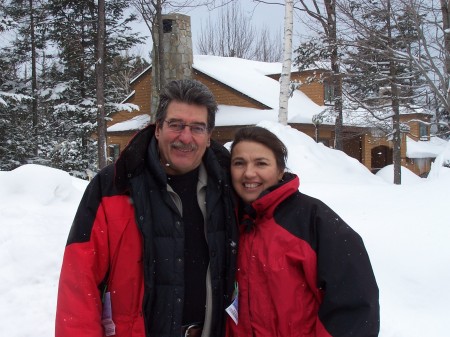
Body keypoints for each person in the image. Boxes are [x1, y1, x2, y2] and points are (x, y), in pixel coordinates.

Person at [55, 79, 238, 337]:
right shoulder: (114, 186)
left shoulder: (230, 186)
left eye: (197, 128)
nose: (185, 137)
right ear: (157, 129)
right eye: (176, 125)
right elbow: (79, 284)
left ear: (209, 137)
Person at [226, 126, 380, 337]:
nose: (249, 173)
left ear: (280, 170)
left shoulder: (313, 221)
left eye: (261, 163)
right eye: (239, 163)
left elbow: (354, 306)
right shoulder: (228, 221)